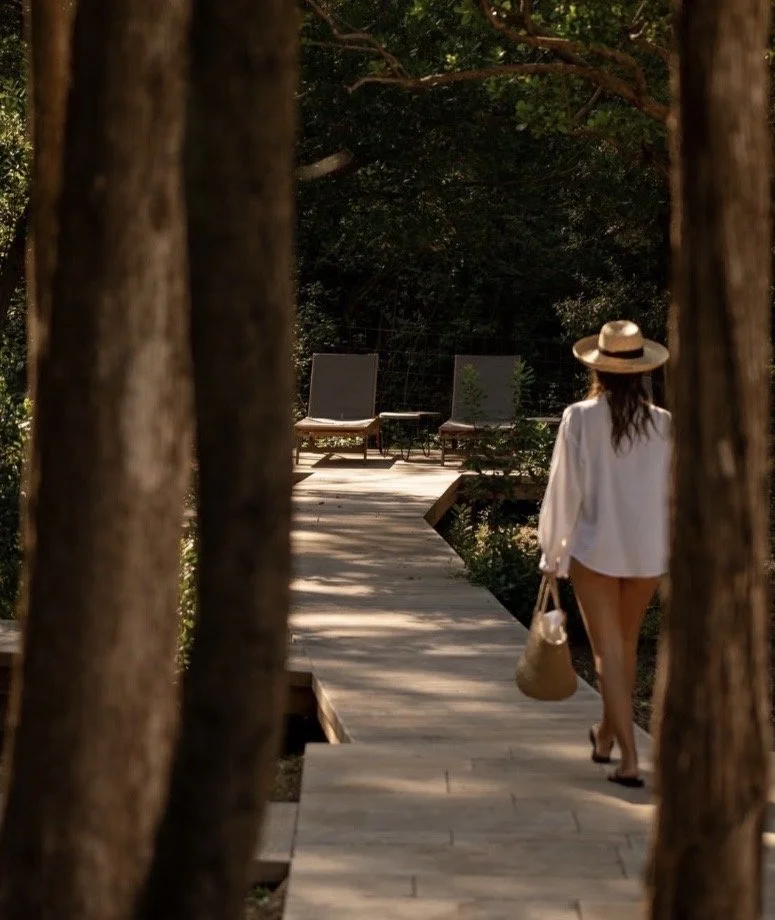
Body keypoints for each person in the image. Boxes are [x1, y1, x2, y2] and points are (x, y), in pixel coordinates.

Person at [538, 319, 671, 788]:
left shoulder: (580, 417)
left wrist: (552, 553)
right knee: (625, 647)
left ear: (598, 369)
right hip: (647, 551)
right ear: (641, 370)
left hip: (595, 549)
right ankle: (604, 736)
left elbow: (563, 490)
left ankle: (631, 758)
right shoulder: (664, 424)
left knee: (606, 652)